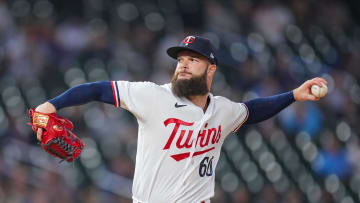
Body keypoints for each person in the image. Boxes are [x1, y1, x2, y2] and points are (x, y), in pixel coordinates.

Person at [33, 36, 327, 203]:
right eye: (180, 60)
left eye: (193, 60)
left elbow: (252, 111)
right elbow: (97, 89)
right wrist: (52, 105)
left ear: (211, 69)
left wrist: (293, 95)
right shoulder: (152, 96)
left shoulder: (223, 111)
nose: (183, 65)